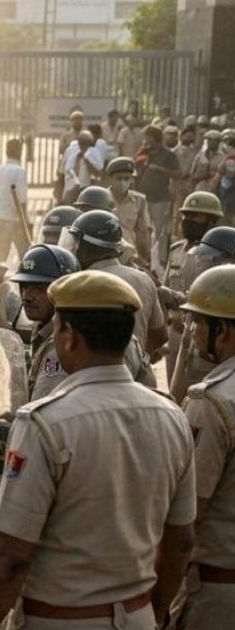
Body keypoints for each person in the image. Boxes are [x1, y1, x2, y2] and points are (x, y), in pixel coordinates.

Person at [0, 271, 195, 630]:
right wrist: (152, 615)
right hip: (137, 616)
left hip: (59, 619)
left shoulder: (43, 423)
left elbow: (11, 557)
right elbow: (180, 542)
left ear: (69, 336)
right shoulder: (172, 417)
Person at [10, 244, 155, 401]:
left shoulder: (64, 344)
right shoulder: (44, 331)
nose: (27, 296)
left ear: (66, 289)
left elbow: (42, 406)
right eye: (23, 287)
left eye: (38, 288)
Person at [173, 265, 235, 627]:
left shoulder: (212, 401)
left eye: (197, 323)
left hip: (219, 592)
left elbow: (187, 514)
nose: (192, 333)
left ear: (222, 330)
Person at [60, 210, 167, 356]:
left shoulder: (78, 284)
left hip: (94, 373)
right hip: (138, 375)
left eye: (76, 242)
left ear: (86, 247)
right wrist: (138, 357)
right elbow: (160, 335)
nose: (74, 248)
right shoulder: (143, 279)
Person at [160, 191, 226, 391]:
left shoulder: (222, 255)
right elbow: (164, 294)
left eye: (195, 216)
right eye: (186, 216)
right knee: (175, 395)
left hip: (206, 341)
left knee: (203, 398)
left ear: (211, 221)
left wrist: (173, 297)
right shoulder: (176, 250)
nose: (188, 221)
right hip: (176, 337)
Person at [136, 124, 181, 266]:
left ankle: (163, 259)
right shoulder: (144, 152)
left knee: (161, 231)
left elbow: (178, 173)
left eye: (147, 137)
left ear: (155, 138)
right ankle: (145, 256)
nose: (145, 140)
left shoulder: (168, 155)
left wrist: (160, 169)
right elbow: (134, 166)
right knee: (143, 229)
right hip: (142, 196)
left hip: (160, 198)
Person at [104, 157, 154, 263]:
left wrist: (146, 257)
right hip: (106, 254)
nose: (122, 182)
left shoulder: (139, 201)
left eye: (127, 179)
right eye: (119, 178)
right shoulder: (101, 198)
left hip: (130, 256)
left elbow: (143, 232)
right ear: (110, 179)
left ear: (132, 179)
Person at [0, 139, 29, 262]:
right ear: (20, 152)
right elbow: (21, 198)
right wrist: (25, 220)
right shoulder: (19, 171)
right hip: (15, 218)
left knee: (1, 251)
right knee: (24, 252)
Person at [59, 130, 104, 204]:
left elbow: (98, 173)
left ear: (90, 143)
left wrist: (86, 161)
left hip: (83, 191)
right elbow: (61, 172)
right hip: (68, 191)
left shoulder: (94, 153)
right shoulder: (70, 150)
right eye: (81, 142)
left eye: (86, 143)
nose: (82, 145)